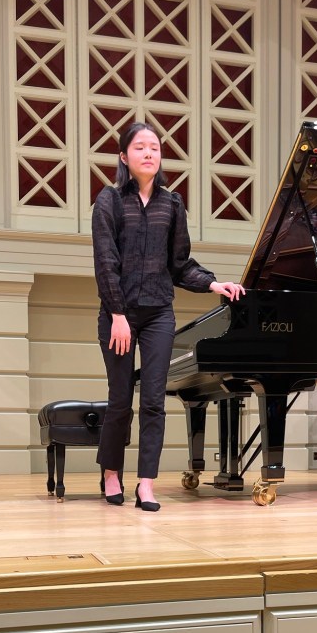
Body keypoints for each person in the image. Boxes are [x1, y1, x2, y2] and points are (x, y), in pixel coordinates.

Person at [91, 122, 245, 511]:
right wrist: (118, 314)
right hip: (119, 314)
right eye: (139, 147)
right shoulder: (109, 201)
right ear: (123, 156)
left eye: (155, 148)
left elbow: (179, 264)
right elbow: (106, 263)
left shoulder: (171, 204)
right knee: (120, 400)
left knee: (154, 401)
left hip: (159, 312)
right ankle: (111, 473)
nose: (149, 153)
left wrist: (213, 283)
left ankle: (146, 484)